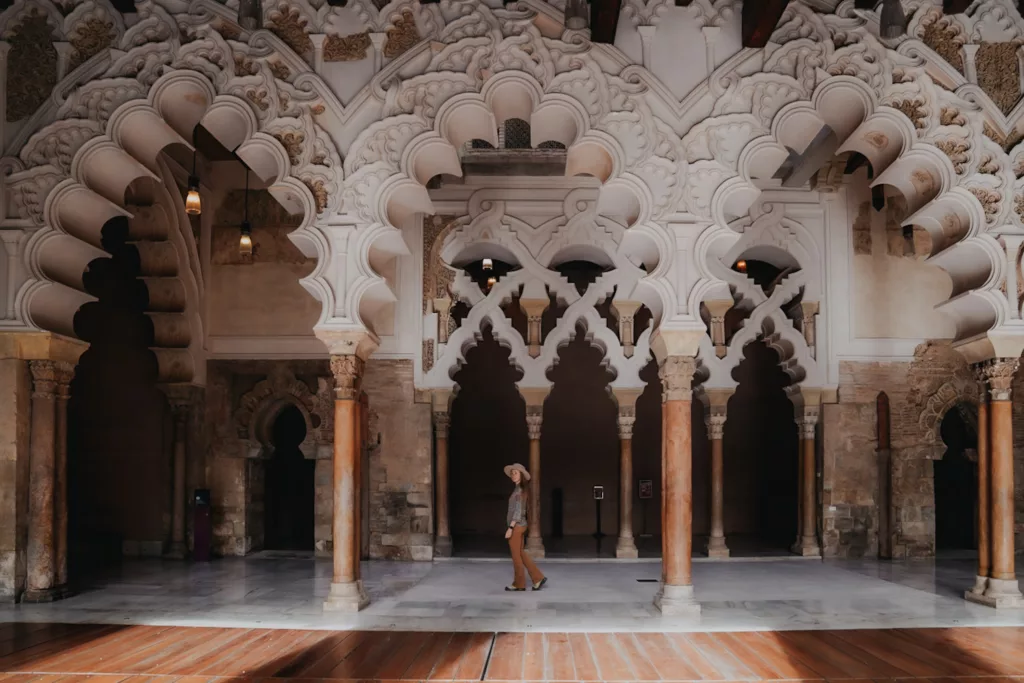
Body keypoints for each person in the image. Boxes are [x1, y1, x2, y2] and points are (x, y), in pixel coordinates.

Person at [503, 463, 547, 592]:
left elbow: (518, 511)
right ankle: (538, 578)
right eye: (512, 473)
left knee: (516, 556)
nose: (513, 475)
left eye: (516, 473)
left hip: (516, 526)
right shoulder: (518, 489)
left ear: (521, 475)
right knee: (521, 554)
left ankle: (519, 584)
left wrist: (510, 528)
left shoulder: (520, 491)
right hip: (520, 525)